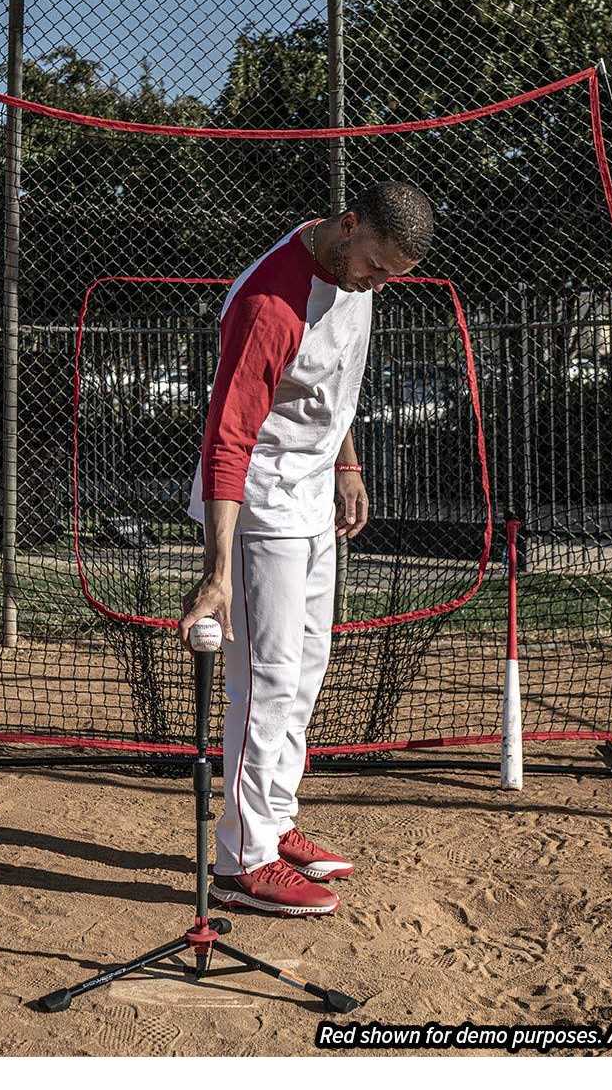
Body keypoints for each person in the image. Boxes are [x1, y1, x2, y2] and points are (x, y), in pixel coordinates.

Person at [180, 181, 435, 917]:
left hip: (313, 491)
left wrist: (346, 464)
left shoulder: (354, 271)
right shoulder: (269, 304)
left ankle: (273, 815)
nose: (377, 283)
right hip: (259, 502)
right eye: (376, 267)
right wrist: (218, 573)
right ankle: (242, 858)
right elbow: (227, 438)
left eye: (391, 275)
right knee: (263, 680)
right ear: (348, 225)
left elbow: (333, 385)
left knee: (305, 668)